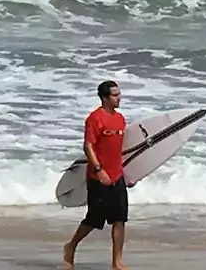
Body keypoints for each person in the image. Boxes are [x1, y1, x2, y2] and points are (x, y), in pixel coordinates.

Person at [63, 80, 136, 270]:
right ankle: (71, 247)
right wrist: (98, 170)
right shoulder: (95, 118)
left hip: (117, 175)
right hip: (98, 177)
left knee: (120, 219)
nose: (119, 98)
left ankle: (117, 261)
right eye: (115, 95)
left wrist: (128, 174)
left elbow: (121, 151)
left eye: (119, 94)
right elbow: (88, 146)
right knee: (94, 220)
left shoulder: (120, 119)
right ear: (105, 97)